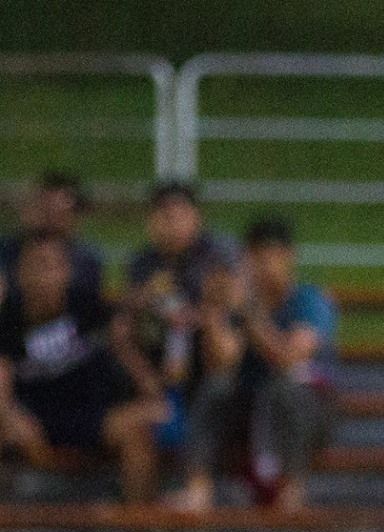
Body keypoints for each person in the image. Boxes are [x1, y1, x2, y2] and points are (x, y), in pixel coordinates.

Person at [171, 216, 338, 511]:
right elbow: (222, 361)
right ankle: (199, 488)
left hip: (305, 406)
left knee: (285, 391)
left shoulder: (309, 300)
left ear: (289, 257)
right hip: (251, 406)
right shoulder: (239, 303)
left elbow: (289, 358)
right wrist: (214, 311)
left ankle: (292, 489)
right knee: (216, 388)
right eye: (258, 258)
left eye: (273, 256)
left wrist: (250, 314)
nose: (266, 266)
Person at [0, 231, 163, 503]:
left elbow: (127, 351)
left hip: (92, 417)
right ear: (20, 272)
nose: (45, 276)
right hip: (33, 420)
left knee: (139, 433)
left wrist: (148, 391)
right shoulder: (7, 321)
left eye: (52, 266)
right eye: (37, 265)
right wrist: (11, 418)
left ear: (66, 271)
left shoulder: (88, 307)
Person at [123, 182, 236, 438]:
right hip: (158, 362)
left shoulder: (218, 256)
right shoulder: (142, 263)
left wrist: (193, 316)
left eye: (179, 216)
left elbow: (230, 304)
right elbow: (126, 323)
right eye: (164, 216)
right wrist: (143, 300)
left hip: (206, 361)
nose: (172, 224)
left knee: (217, 332)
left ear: (197, 218)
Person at [1, 171, 105, 309]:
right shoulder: (7, 249)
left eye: (57, 212)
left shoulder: (86, 260)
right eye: (43, 209)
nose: (48, 219)